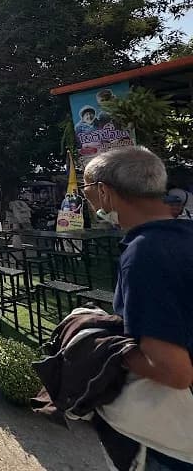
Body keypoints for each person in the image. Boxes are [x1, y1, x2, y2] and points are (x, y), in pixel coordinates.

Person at [82, 146, 193, 470]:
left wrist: (105, 348)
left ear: (104, 192)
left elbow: (174, 371)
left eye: (87, 191)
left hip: (171, 444)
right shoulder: (183, 236)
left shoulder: (145, 255)